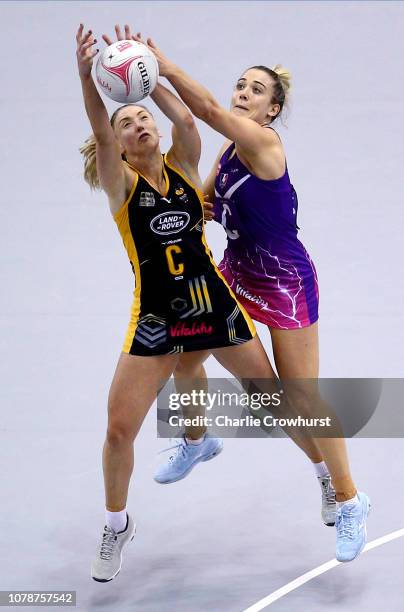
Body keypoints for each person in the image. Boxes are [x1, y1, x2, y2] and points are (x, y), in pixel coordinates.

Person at [141, 32, 371, 562]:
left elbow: (202, 107)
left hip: (286, 282)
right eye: (240, 85)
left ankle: (350, 497)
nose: (243, 93)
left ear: (274, 109)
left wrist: (162, 64)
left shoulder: (263, 145)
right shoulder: (228, 152)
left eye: (256, 90)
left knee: (300, 400)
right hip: (237, 274)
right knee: (191, 356)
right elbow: (199, 188)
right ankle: (200, 441)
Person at [76, 23, 293, 582]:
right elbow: (99, 135)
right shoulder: (121, 187)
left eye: (143, 117)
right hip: (155, 318)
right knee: (119, 429)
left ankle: (329, 481)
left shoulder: (185, 169)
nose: (138, 124)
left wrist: (147, 79)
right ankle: (116, 523)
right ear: (121, 147)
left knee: (272, 398)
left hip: (210, 304)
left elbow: (187, 121)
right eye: (128, 124)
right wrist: (90, 79)